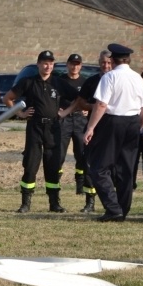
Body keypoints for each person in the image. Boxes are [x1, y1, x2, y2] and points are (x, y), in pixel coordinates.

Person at [83, 43, 143, 222]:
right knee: (126, 169)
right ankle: (122, 209)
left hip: (113, 122)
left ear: (112, 60)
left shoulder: (109, 77)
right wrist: (140, 126)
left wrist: (90, 128)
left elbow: (101, 105)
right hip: (133, 122)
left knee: (99, 167)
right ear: (128, 60)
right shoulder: (137, 78)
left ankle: (113, 208)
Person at [4, 50, 76, 213]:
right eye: (45, 63)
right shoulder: (28, 82)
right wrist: (20, 113)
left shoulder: (58, 83)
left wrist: (65, 112)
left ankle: (54, 203)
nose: (48, 66)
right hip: (35, 127)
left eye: (51, 63)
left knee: (53, 165)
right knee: (31, 164)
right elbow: (7, 98)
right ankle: (25, 202)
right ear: (38, 64)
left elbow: (78, 99)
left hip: (54, 128)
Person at [59, 49, 113, 213]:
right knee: (90, 163)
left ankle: (114, 202)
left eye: (109, 62)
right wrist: (93, 107)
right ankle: (90, 202)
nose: (106, 65)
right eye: (103, 62)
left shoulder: (120, 80)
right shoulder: (91, 81)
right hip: (93, 126)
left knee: (111, 165)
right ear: (99, 62)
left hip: (113, 126)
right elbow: (80, 101)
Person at [57, 53, 88, 195]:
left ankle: (80, 186)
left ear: (80, 66)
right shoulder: (60, 81)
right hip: (64, 120)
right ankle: (55, 183)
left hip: (80, 120)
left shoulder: (85, 82)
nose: (74, 66)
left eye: (77, 64)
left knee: (81, 154)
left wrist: (87, 109)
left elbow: (90, 101)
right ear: (67, 65)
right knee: (60, 153)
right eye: (72, 63)